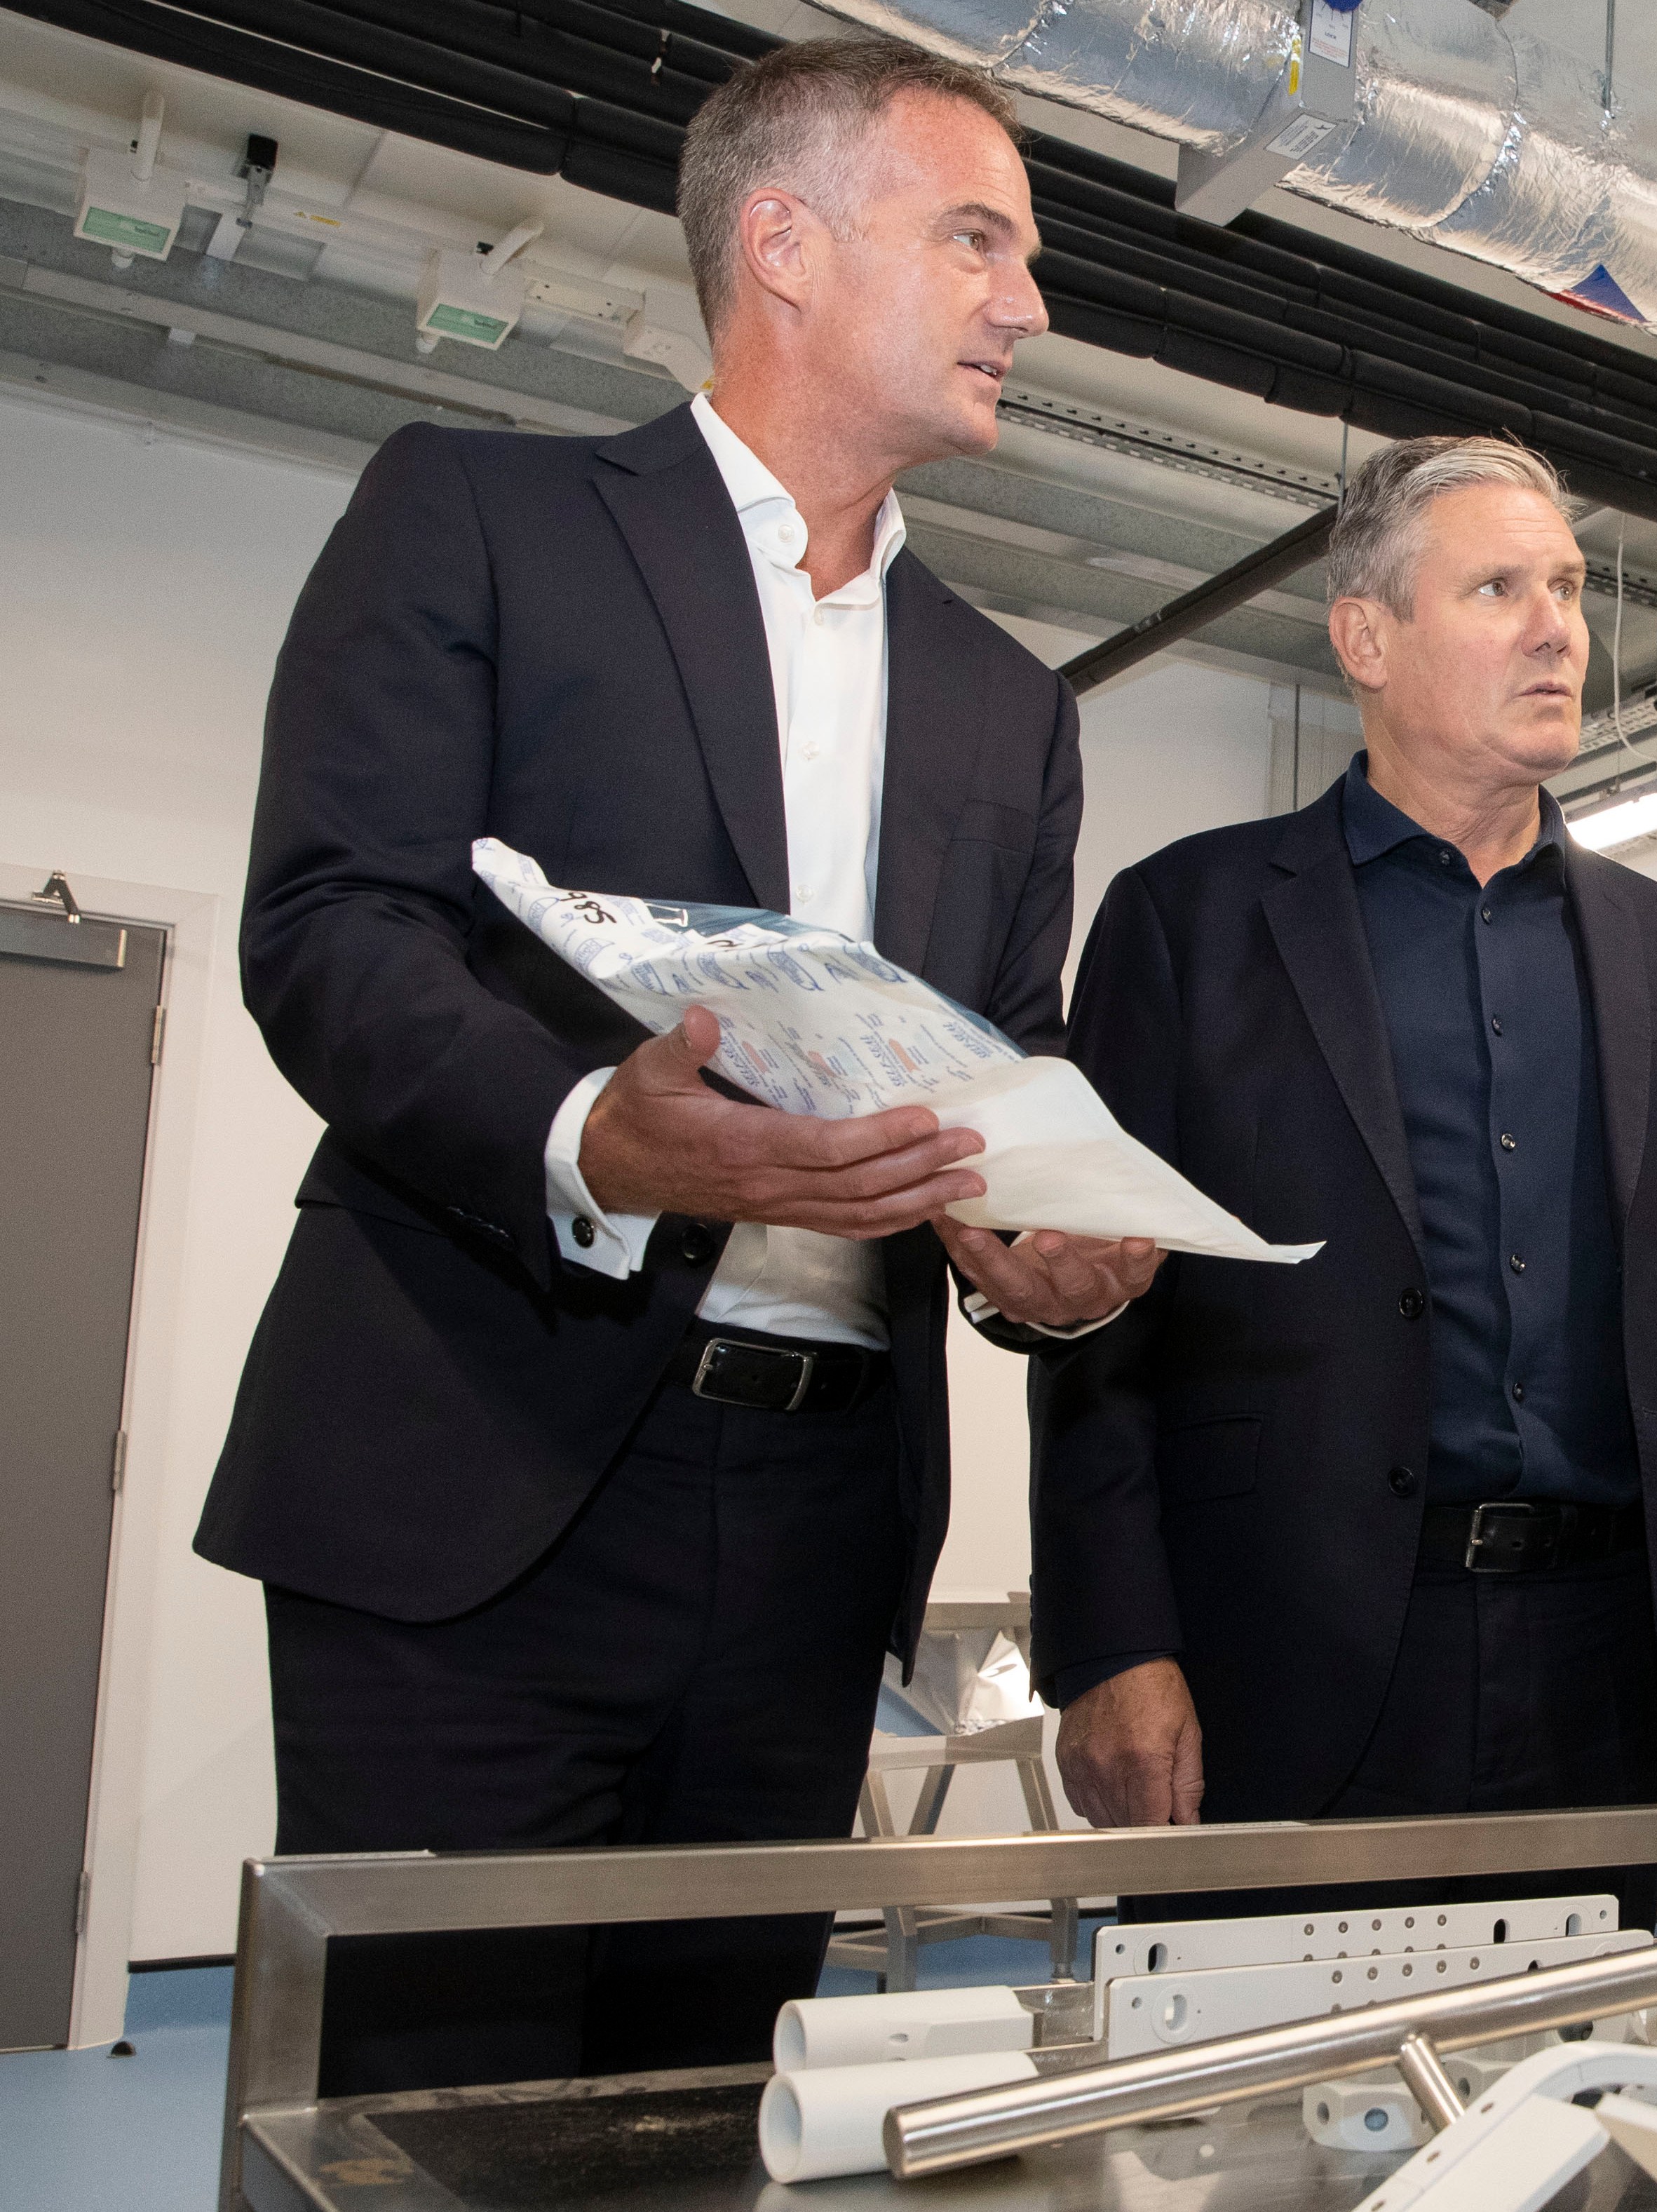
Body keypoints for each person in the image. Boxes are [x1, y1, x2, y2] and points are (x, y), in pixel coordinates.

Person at [196, 37, 1158, 2093]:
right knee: (426, 2129)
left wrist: (1050, 1246)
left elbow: (1010, 1057)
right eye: (975, 239)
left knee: (702, 2125)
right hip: (479, 1484)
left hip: (819, 1525)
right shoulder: (479, 517)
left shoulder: (1012, 705)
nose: (1028, 302)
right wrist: (590, 1136)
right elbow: (334, 927)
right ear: (783, 244)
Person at [1030, 436, 1657, 1925]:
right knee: (1272, 2079)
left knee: (1570, 2072)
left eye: (1569, 588)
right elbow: (1096, 1320)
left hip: (1601, 1672)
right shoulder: (1188, 921)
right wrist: (1109, 1640)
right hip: (1279, 1661)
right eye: (1499, 588)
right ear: (1366, 638)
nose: (1557, 628)